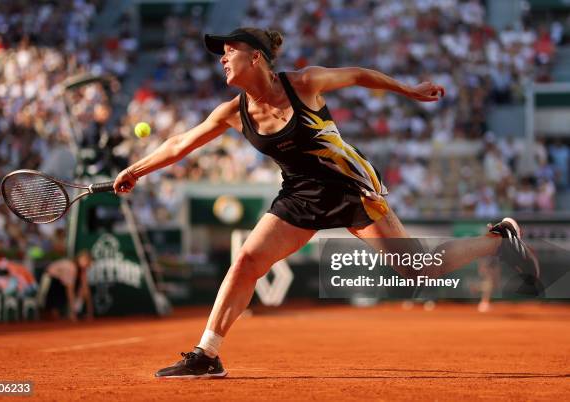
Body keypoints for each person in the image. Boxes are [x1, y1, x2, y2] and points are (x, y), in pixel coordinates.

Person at [113, 27, 539, 378]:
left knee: (415, 269)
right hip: (300, 195)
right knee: (246, 261)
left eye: (230, 52)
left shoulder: (303, 83)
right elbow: (180, 143)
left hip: (350, 188)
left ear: (256, 58)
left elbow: (357, 74)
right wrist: (136, 170)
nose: (222, 59)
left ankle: (498, 238)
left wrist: (409, 91)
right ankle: (207, 353)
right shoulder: (232, 111)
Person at [39, 250, 94, 321]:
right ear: (79, 258)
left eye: (89, 261)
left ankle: (72, 312)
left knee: (80, 290)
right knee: (50, 308)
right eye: (87, 260)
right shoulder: (71, 267)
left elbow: (86, 290)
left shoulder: (81, 270)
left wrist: (90, 313)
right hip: (50, 280)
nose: (88, 264)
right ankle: (51, 313)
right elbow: (70, 291)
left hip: (60, 282)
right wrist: (73, 313)